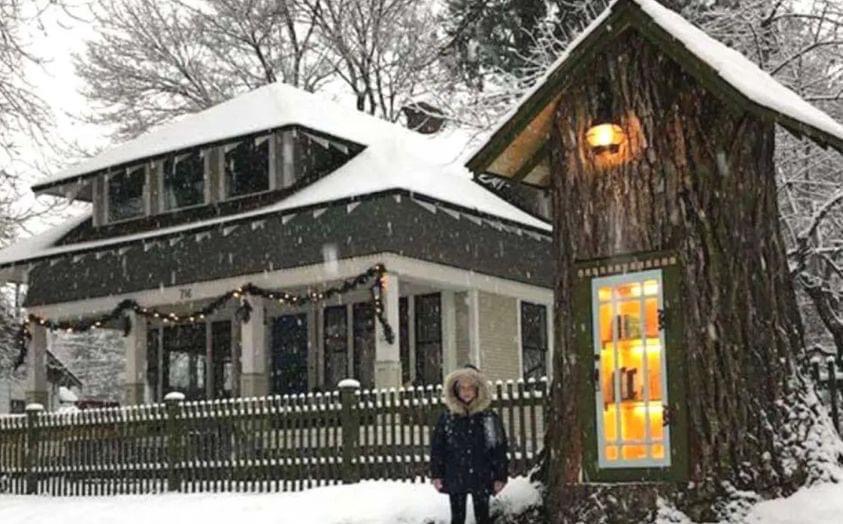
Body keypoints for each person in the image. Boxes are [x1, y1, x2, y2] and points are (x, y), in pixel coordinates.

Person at [430, 364, 508, 524]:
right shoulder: (447, 418)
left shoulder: (488, 418)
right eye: (462, 388)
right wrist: (436, 474)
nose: (466, 392)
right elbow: (438, 447)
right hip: (455, 475)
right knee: (457, 517)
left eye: (470, 387)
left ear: (478, 390)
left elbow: (498, 448)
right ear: (455, 390)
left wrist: (500, 475)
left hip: (482, 474)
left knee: (483, 517)